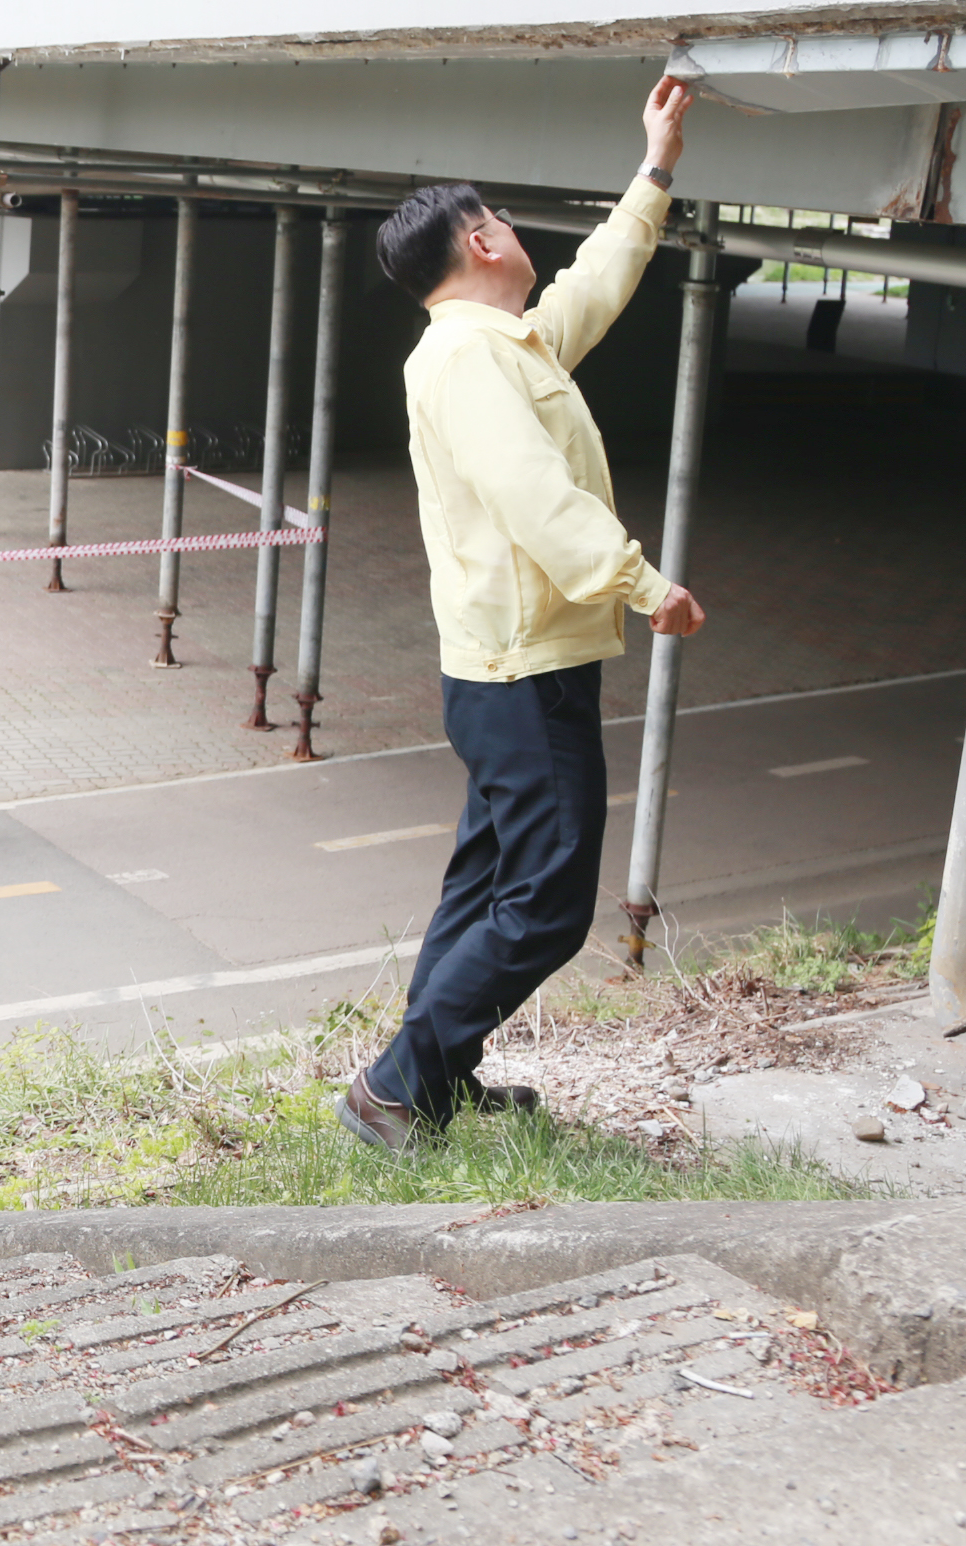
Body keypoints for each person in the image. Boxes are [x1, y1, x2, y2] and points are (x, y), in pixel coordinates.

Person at [340, 77, 710, 1153]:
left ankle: (431, 1083)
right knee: (548, 900)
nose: (512, 231)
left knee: (490, 885)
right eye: (497, 219)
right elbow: (532, 497)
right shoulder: (465, 363)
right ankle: (392, 1089)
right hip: (519, 672)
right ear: (485, 240)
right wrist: (643, 584)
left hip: (508, 667)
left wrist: (654, 168)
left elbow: (595, 285)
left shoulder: (502, 347)